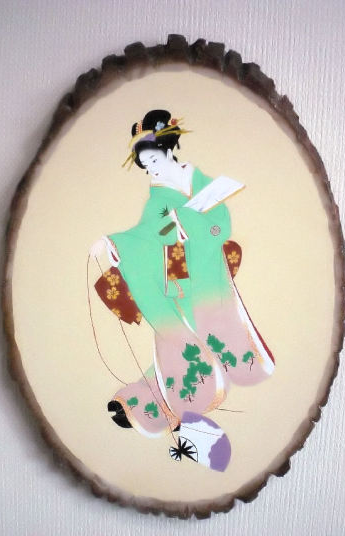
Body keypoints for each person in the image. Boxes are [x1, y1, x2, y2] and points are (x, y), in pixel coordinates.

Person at [90, 110, 275, 471]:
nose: (151, 170)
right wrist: (112, 242)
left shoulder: (203, 183)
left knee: (209, 334)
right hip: (176, 280)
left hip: (206, 275)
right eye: (145, 165)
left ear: (169, 149)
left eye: (154, 160)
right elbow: (144, 235)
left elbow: (220, 224)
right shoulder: (157, 196)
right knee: (178, 341)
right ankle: (161, 407)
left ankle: (171, 408)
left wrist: (187, 224)